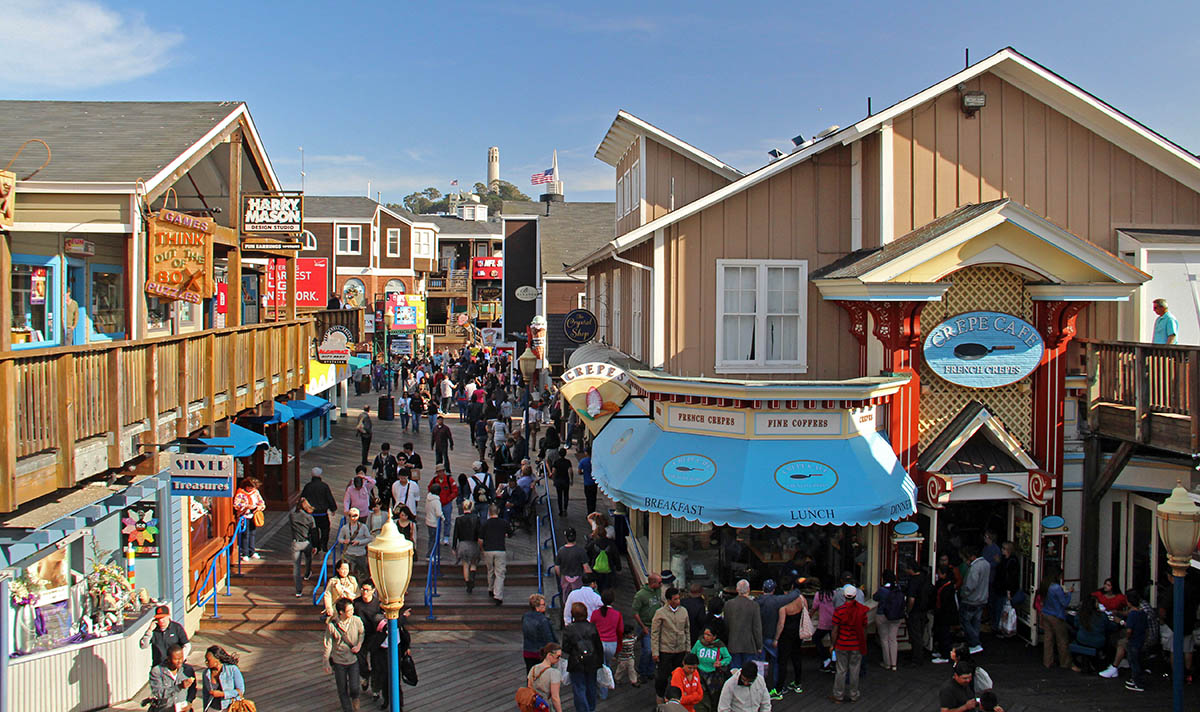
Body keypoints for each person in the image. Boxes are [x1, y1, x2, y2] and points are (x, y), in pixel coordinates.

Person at [324, 597, 365, 712]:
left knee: (354, 687)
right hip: (339, 662)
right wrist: (326, 661)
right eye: (349, 610)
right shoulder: (332, 626)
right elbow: (328, 644)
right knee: (342, 689)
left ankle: (356, 704)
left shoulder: (356, 621)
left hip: (353, 660)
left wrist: (359, 645)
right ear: (341, 612)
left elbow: (362, 633)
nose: (352, 612)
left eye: (352, 609)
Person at [652, 586, 692, 703]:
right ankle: (660, 699)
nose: (678, 601)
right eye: (675, 599)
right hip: (666, 650)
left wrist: (687, 648)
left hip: (680, 649)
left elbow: (687, 630)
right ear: (669, 600)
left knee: (678, 677)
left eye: (678, 599)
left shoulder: (683, 611)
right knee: (662, 678)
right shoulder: (660, 613)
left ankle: (676, 700)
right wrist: (655, 652)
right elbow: (655, 633)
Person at [562, 601, 604, 712]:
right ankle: (591, 708)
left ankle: (583, 709)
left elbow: (565, 648)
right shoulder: (592, 627)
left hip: (576, 662)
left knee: (579, 688)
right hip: (592, 661)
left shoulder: (569, 629)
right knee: (591, 686)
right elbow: (598, 646)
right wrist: (600, 662)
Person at [830, 584, 868, 704]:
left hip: (842, 644)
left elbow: (835, 630)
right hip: (856, 644)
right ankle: (853, 694)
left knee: (841, 670)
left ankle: (838, 695)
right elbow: (864, 628)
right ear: (855, 596)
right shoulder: (861, 611)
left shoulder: (839, 611)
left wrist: (832, 644)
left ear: (844, 596)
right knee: (855, 670)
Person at [1035, 564, 1073, 670]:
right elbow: (1064, 603)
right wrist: (1069, 594)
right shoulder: (1056, 588)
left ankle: (1047, 661)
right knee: (1062, 640)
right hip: (1056, 615)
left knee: (1048, 639)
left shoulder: (1045, 585)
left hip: (1046, 613)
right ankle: (1065, 663)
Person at [774, 582, 808, 694]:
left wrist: (776, 638)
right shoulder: (801, 598)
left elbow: (781, 624)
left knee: (783, 660)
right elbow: (806, 612)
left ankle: (779, 688)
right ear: (792, 586)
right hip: (798, 632)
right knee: (797, 657)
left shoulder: (783, 603)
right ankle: (798, 683)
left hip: (786, 634)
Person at [352, 582, 384, 699]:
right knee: (360, 659)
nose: (364, 592)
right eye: (363, 589)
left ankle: (375, 689)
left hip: (374, 636)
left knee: (376, 664)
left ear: (372, 590)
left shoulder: (377, 604)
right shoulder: (356, 603)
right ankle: (365, 676)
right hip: (360, 636)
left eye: (367, 590)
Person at [690, 626, 731, 712]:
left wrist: (721, 663)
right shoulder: (699, 643)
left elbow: (728, 658)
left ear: (714, 637)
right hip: (700, 673)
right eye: (705, 634)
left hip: (713, 676)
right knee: (701, 696)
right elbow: (692, 654)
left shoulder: (720, 645)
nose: (706, 636)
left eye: (709, 635)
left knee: (714, 697)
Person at [634, 572, 665, 683]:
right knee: (647, 650)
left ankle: (650, 671)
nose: (662, 585)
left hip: (656, 625)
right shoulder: (640, 595)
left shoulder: (658, 591)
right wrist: (643, 627)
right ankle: (642, 671)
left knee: (654, 650)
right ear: (653, 583)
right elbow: (635, 612)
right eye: (660, 582)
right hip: (646, 626)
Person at [725, 579, 763, 670]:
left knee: (734, 672)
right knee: (748, 671)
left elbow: (726, 625)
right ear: (748, 590)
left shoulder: (728, 604)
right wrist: (759, 645)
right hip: (749, 645)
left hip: (733, 644)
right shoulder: (754, 605)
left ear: (737, 590)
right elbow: (757, 628)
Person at [958, 546, 989, 655]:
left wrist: (963, 594)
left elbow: (970, 586)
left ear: (971, 557)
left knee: (965, 621)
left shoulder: (975, 568)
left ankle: (975, 642)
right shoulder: (986, 564)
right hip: (983, 598)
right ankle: (973, 643)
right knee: (976, 622)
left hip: (971, 600)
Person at [148, 644, 197, 712]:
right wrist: (178, 687)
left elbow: (192, 689)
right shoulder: (157, 671)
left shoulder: (188, 670)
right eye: (176, 659)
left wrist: (189, 702)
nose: (179, 661)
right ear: (168, 659)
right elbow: (159, 693)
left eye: (181, 658)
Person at [873, 569, 905, 671]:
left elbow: (875, 597)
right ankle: (894, 664)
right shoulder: (898, 588)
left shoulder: (882, 590)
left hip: (882, 615)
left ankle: (887, 663)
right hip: (896, 616)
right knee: (893, 639)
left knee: (884, 639)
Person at [140, 605, 190, 669]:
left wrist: (179, 660)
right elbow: (143, 645)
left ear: (168, 616)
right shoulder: (153, 630)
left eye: (163, 618)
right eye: (159, 618)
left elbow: (187, 645)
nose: (161, 621)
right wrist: (149, 631)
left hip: (175, 666)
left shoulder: (176, 628)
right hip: (159, 666)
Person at [903, 559, 932, 665]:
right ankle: (917, 655)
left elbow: (911, 599)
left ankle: (917, 659)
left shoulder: (913, 581)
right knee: (919, 633)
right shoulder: (924, 577)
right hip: (923, 610)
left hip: (915, 611)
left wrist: (908, 610)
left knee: (915, 635)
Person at [300, 467, 337, 551]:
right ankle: (324, 544)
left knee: (314, 530)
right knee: (325, 529)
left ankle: (316, 546)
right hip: (323, 513)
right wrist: (333, 509)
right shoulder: (324, 486)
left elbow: (302, 498)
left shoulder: (308, 486)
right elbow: (329, 498)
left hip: (312, 513)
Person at [479, 504, 508, 605]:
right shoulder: (504, 523)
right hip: (500, 549)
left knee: (490, 570)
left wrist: (482, 549)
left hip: (488, 550)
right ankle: (498, 595)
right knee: (500, 573)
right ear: (498, 511)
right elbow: (509, 533)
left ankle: (490, 588)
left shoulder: (485, 524)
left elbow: (480, 540)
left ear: (489, 512)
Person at [201, 645, 246, 711]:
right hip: (213, 707)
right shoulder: (206, 674)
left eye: (208, 660)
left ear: (217, 659)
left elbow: (240, 690)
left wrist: (223, 694)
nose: (206, 662)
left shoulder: (232, 669)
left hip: (230, 707)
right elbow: (205, 694)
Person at [991, 542, 1020, 638]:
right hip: (999, 588)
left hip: (1004, 589)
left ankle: (1000, 629)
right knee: (998, 608)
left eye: (1003, 548)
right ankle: (998, 627)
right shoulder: (1004, 560)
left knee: (1001, 609)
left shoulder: (1012, 561)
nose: (1001, 550)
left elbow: (1011, 577)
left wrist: (1009, 590)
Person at [932, 563, 960, 664]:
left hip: (945, 615)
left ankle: (945, 655)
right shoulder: (948, 584)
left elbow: (944, 602)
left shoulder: (947, 586)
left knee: (944, 634)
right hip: (943, 614)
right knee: (942, 633)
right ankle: (942, 652)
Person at [232, 477, 265, 562]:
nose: (252, 489)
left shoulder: (255, 492)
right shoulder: (240, 493)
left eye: (253, 487)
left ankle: (252, 551)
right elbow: (236, 505)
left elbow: (261, 502)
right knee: (245, 534)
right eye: (251, 487)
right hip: (244, 516)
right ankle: (244, 552)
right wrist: (246, 506)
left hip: (253, 515)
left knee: (252, 533)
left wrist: (259, 507)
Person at [452, 499, 482, 592]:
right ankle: (472, 577)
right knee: (473, 563)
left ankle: (468, 582)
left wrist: (454, 547)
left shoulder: (458, 519)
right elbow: (479, 533)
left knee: (465, 564)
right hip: (473, 543)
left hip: (462, 544)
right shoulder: (476, 519)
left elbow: (455, 534)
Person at [290, 498, 316, 597]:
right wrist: (316, 545)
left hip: (296, 542)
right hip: (306, 542)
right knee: (308, 557)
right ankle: (307, 572)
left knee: (296, 567)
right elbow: (314, 532)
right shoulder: (309, 518)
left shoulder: (292, 516)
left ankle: (298, 590)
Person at [523, 594, 557, 672]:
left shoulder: (526, 617)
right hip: (541, 652)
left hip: (527, 651)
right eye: (543, 604)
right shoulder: (543, 620)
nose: (545, 606)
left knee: (531, 674)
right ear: (537, 607)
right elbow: (548, 637)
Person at [527, 642, 565, 712]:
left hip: (533, 706)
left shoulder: (533, 668)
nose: (559, 659)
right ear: (549, 655)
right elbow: (555, 697)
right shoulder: (554, 673)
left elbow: (529, 687)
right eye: (558, 657)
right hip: (545, 707)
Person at [338, 507, 372, 580]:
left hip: (360, 554)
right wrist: (344, 541)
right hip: (349, 554)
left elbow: (369, 538)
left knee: (363, 573)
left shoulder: (363, 527)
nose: (353, 518)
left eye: (355, 515)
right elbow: (339, 538)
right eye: (351, 516)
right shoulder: (345, 528)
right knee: (349, 573)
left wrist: (359, 542)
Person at [430, 465, 458, 545]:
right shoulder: (434, 480)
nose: (441, 473)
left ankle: (446, 537)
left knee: (447, 520)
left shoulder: (449, 480)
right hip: (437, 503)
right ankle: (437, 536)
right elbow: (430, 489)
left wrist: (448, 499)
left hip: (447, 504)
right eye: (439, 471)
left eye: (442, 471)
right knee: (436, 521)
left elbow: (455, 491)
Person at [616, 623, 640, 688]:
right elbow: (637, 638)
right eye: (630, 633)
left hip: (627, 658)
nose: (632, 634)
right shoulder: (628, 641)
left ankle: (634, 681)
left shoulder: (621, 641)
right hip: (625, 658)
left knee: (630, 669)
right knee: (622, 669)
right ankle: (617, 678)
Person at [423, 482, 444, 558]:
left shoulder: (428, 499)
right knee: (434, 540)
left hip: (428, 520)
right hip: (434, 523)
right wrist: (443, 517)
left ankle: (433, 554)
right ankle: (430, 555)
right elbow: (438, 513)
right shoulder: (436, 501)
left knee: (431, 538)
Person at [551, 448, 573, 516]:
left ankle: (560, 510)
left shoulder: (556, 462)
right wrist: (571, 479)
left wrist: (553, 480)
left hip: (558, 480)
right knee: (566, 495)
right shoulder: (568, 462)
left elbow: (554, 472)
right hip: (565, 480)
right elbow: (570, 471)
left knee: (559, 496)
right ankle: (565, 509)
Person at [579, 447, 596, 515]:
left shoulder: (583, 461)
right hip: (594, 483)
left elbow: (579, 471)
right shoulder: (594, 461)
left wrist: (584, 472)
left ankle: (589, 512)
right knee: (593, 498)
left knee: (588, 498)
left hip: (587, 483)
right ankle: (593, 511)